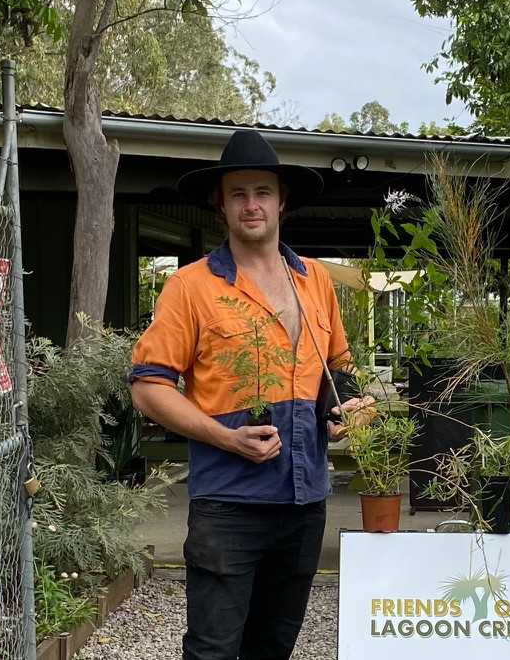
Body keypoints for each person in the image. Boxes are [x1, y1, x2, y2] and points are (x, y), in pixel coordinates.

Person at [129, 129, 371, 660]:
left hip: (305, 502)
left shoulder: (315, 282)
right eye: (238, 193)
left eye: (262, 191)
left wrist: (343, 408)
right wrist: (226, 437)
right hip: (229, 505)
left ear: (282, 200)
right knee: (213, 649)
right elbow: (148, 388)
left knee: (274, 647)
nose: (251, 204)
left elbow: (338, 365)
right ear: (221, 204)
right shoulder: (191, 286)